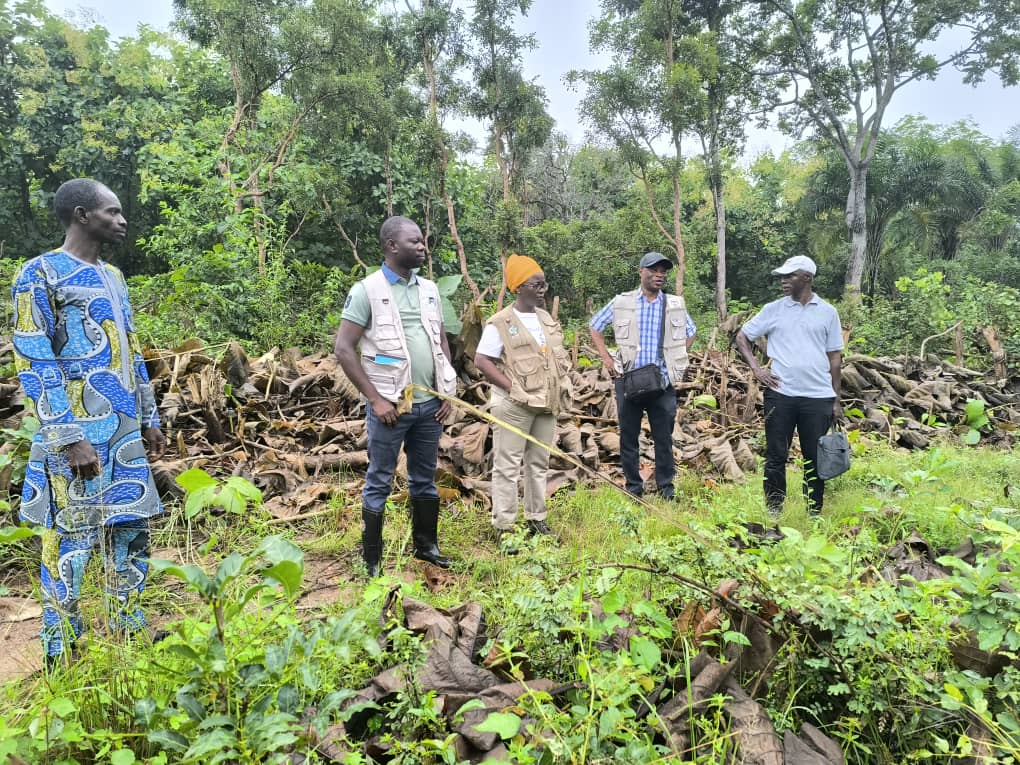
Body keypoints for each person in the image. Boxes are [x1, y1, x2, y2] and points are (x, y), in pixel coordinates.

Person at [11, 178, 166, 668]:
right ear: (82, 215)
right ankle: (61, 650)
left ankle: (130, 631)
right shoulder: (39, 274)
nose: (122, 221)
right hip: (76, 434)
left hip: (124, 432)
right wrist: (69, 436)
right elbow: (34, 358)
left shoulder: (115, 277)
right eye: (112, 212)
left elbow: (132, 351)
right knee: (71, 542)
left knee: (129, 531)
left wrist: (149, 415)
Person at [334, 215, 457, 577]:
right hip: (391, 404)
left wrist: (446, 390)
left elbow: (441, 341)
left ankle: (427, 546)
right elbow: (344, 349)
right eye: (415, 241)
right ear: (392, 246)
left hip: (429, 406)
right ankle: (372, 561)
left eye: (422, 241)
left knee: (424, 478)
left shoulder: (430, 290)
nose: (423, 247)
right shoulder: (366, 290)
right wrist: (375, 399)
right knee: (380, 479)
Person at [474, 254, 572, 553]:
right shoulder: (501, 322)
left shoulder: (546, 319)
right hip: (514, 405)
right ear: (518, 288)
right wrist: (511, 388)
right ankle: (504, 527)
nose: (542, 289)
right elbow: (482, 360)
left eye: (544, 284)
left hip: (545, 403)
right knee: (507, 465)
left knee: (538, 463)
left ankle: (536, 519)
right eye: (536, 284)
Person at [733, 255, 844, 515]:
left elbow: (835, 358)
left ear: (806, 278)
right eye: (782, 276)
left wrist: (836, 400)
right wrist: (756, 369)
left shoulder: (828, 313)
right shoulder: (774, 309)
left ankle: (814, 511)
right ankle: (774, 509)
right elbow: (742, 336)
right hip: (781, 395)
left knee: (814, 458)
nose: (783, 281)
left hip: (817, 397)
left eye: (790, 276)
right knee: (775, 456)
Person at [589, 252, 696, 500]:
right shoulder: (622, 302)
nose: (659, 275)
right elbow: (595, 326)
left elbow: (691, 331)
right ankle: (633, 489)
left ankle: (666, 490)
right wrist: (607, 359)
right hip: (629, 380)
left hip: (662, 381)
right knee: (628, 438)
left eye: (663, 271)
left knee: (663, 439)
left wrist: (677, 357)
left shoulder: (673, 304)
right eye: (654, 270)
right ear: (641, 272)